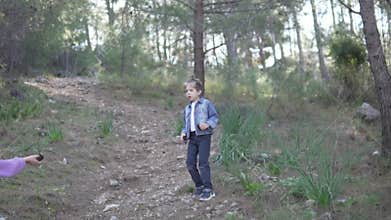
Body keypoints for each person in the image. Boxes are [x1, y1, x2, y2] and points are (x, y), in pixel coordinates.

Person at [181, 78, 218, 201]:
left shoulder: (206, 104)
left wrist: (207, 124)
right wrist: (184, 133)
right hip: (192, 138)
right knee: (190, 164)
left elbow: (214, 117)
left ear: (199, 91)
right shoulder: (188, 108)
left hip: (203, 137)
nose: (188, 93)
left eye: (191, 90)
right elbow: (185, 124)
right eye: (187, 91)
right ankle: (199, 185)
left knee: (203, 163)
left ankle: (208, 189)